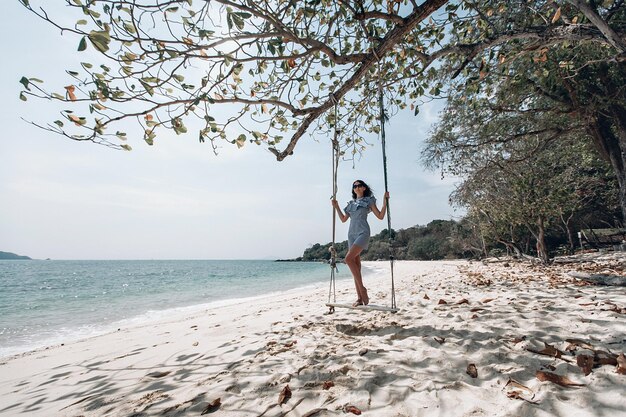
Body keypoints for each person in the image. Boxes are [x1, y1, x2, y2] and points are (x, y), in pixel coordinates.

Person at [332, 180, 388, 307]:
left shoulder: (368, 201)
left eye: (358, 185)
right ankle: (359, 299)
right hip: (351, 234)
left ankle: (362, 289)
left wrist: (385, 202)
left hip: (363, 232)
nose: (356, 187)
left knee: (348, 259)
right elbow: (343, 219)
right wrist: (336, 207)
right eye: (354, 186)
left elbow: (380, 216)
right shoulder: (351, 204)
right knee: (356, 266)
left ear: (363, 188)